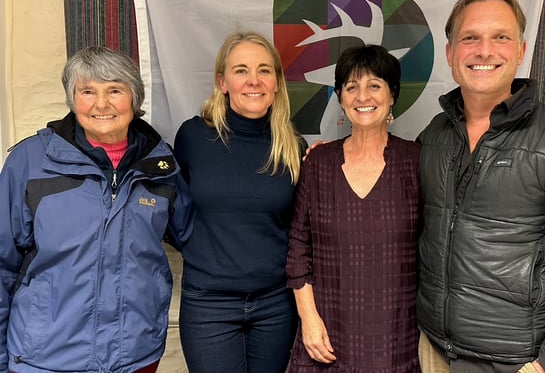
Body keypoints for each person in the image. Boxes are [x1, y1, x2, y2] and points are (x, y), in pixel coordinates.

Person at [416, 0, 545, 373]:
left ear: (521, 49)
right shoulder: (434, 136)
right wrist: (335, 152)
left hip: (515, 363)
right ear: (449, 53)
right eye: (470, 38)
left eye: (500, 37)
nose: (484, 50)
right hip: (433, 351)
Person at [0, 46, 193, 373]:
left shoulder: (162, 166)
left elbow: (200, 240)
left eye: (115, 90)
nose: (101, 104)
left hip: (135, 355)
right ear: (72, 100)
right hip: (46, 358)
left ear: (135, 98)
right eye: (87, 91)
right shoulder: (31, 162)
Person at [174, 31, 305, 373]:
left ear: (277, 82)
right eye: (241, 70)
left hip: (276, 302)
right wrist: (197, 247)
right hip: (209, 303)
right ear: (223, 81)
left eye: (264, 70)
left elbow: (301, 226)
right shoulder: (193, 137)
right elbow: (171, 203)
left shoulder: (294, 147)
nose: (253, 80)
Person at [286, 44, 421, 372]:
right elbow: (298, 248)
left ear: (392, 96)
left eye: (374, 85)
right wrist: (309, 319)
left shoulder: (417, 161)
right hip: (328, 336)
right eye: (351, 87)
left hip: (398, 339)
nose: (363, 96)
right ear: (340, 97)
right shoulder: (318, 162)